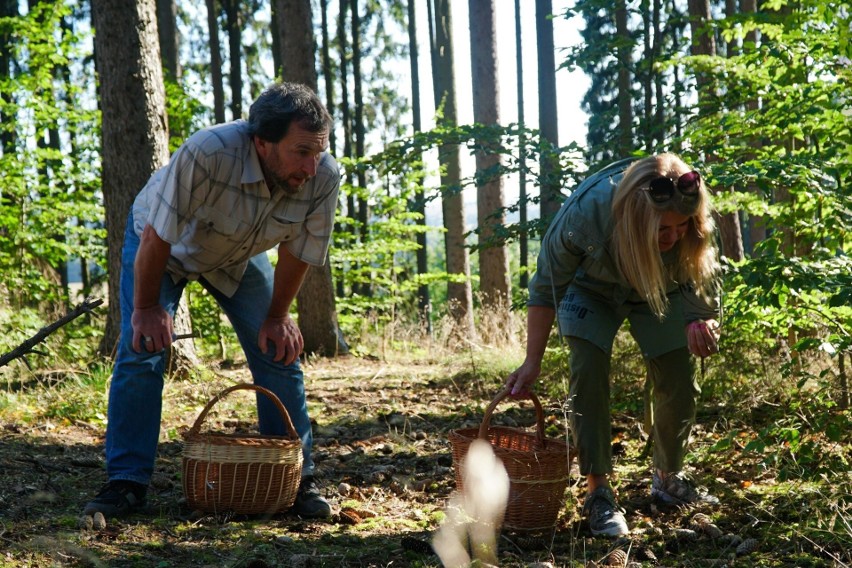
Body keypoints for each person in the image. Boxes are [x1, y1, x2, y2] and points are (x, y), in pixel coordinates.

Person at [83, 82, 339, 520]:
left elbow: (299, 253)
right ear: (262, 141)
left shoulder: (324, 176)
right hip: (165, 247)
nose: (311, 167)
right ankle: (125, 482)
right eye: (300, 152)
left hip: (235, 256)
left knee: (279, 349)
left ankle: (296, 479)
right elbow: (157, 235)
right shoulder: (210, 152)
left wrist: (278, 316)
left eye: (318, 152)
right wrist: (146, 311)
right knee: (142, 351)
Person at [506, 153, 722, 537]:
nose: (672, 237)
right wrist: (531, 361)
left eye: (680, 227)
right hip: (590, 291)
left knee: (677, 370)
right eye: (661, 229)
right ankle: (599, 491)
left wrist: (702, 320)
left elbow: (700, 272)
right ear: (637, 218)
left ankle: (668, 477)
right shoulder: (584, 218)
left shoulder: (689, 226)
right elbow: (543, 289)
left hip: (661, 288)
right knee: (588, 368)